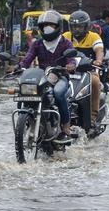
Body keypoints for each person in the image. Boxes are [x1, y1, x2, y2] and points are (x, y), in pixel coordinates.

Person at [18, 10, 78, 141]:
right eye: (44, 25)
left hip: (61, 77)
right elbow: (27, 59)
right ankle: (24, 123)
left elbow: (71, 60)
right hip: (42, 77)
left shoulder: (65, 43)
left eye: (51, 25)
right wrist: (19, 67)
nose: (48, 28)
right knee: (23, 93)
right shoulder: (37, 43)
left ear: (58, 27)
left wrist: (70, 66)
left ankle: (66, 125)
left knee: (57, 93)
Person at [67, 10, 105, 132]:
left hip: (89, 72)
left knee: (95, 82)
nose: (76, 29)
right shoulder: (66, 36)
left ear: (87, 26)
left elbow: (99, 50)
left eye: (79, 26)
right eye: (74, 27)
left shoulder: (94, 36)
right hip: (68, 71)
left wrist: (98, 61)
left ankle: (93, 117)